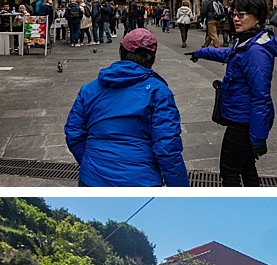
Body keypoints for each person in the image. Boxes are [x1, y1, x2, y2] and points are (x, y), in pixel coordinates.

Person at [63, 28, 190, 188]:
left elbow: (74, 133)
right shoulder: (158, 91)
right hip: (140, 179)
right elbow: (167, 147)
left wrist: (91, 161)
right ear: (152, 58)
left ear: (121, 52)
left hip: (92, 178)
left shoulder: (89, 89)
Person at [188, 0, 277, 186]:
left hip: (244, 122)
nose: (236, 19)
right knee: (246, 167)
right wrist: (201, 52)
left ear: (257, 17)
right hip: (241, 116)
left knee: (229, 173)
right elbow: (228, 54)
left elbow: (260, 97)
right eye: (235, 14)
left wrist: (258, 138)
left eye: (242, 15)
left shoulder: (255, 52)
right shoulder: (246, 40)